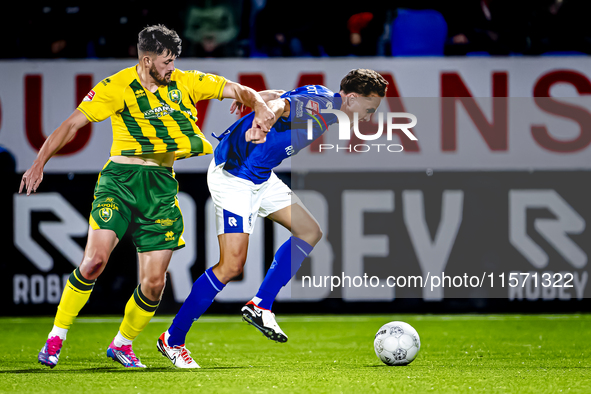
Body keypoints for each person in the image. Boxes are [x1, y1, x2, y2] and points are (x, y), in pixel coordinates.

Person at [20, 24, 274, 369]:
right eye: (166, 62)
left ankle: (122, 344)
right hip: (120, 181)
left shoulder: (186, 82)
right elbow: (71, 125)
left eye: (174, 61)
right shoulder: (116, 86)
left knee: (154, 284)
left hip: (161, 185)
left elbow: (238, 89)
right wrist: (39, 163)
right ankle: (56, 337)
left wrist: (256, 104)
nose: (172, 67)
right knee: (94, 261)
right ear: (146, 59)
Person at [156, 69, 389, 368]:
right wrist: (264, 118)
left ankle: (260, 305)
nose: (369, 117)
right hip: (236, 174)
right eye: (369, 109)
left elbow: (281, 96)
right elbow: (282, 107)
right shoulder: (324, 106)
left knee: (309, 232)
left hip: (261, 176)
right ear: (352, 98)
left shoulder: (323, 97)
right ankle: (172, 339)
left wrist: (257, 100)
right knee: (231, 265)